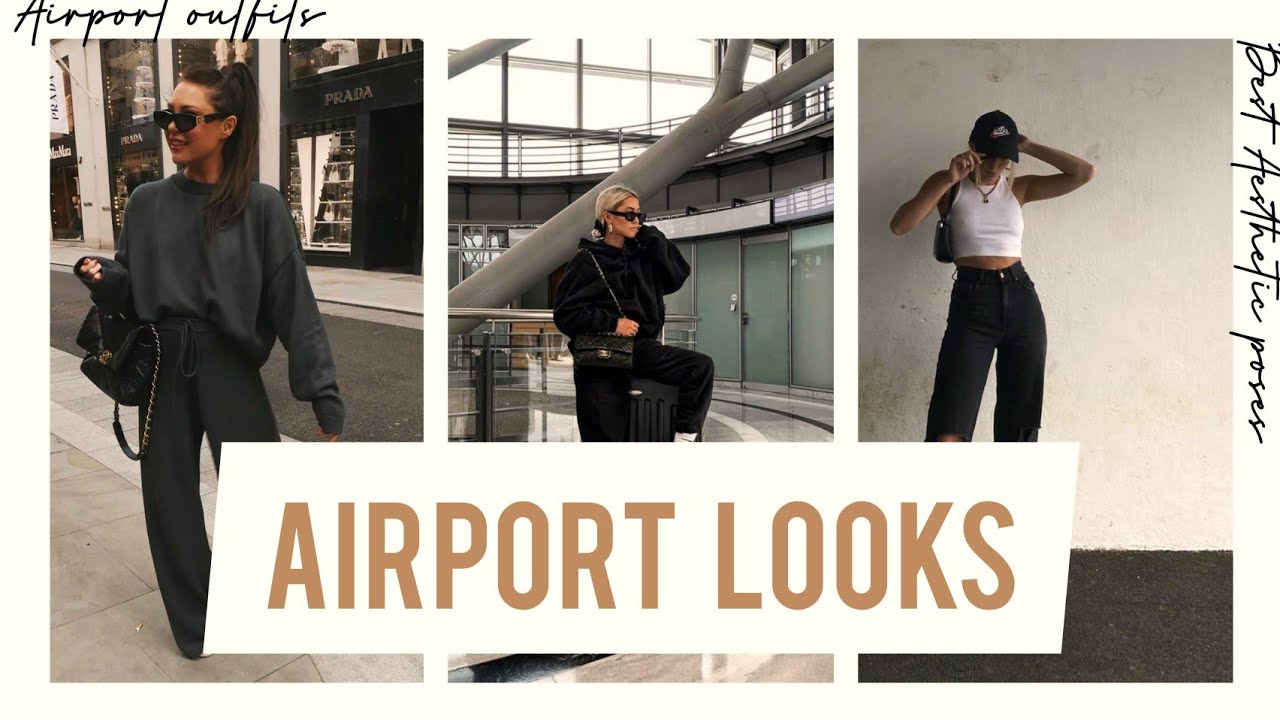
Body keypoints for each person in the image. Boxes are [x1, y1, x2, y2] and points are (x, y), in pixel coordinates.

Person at [75, 62, 343, 659]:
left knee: (264, 495)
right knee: (168, 498)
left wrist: (321, 391)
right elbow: (133, 291)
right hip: (162, 360)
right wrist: (109, 282)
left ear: (226, 126)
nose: (172, 127)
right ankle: (197, 625)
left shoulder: (263, 206)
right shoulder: (145, 202)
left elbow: (292, 301)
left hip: (228, 361)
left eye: (187, 118)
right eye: (165, 115)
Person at [889, 110, 1096, 442]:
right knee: (949, 429)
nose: (998, 165)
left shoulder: (1019, 188)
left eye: (1006, 158)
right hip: (972, 303)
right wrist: (948, 177)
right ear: (972, 147)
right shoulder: (948, 186)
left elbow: (1084, 173)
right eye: (990, 155)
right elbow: (900, 225)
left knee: (1019, 430)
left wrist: (1028, 146)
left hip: (1022, 299)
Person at [553, 185, 715, 442]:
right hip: (601, 357)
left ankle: (685, 436)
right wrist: (613, 323)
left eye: (640, 215)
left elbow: (677, 275)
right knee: (604, 438)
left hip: (640, 349)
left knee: (700, 366)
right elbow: (565, 314)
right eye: (629, 214)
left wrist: (654, 237)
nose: (636, 220)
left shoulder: (643, 256)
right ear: (608, 216)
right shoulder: (587, 260)